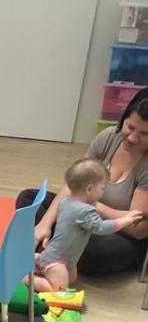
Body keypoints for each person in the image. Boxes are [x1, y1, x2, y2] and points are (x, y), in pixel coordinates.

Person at [18, 86, 148, 276]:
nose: (133, 137)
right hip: (81, 215)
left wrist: (95, 207)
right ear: (124, 118)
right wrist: (44, 224)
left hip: (118, 235)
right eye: (130, 127)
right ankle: (55, 246)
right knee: (29, 198)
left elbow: (137, 228)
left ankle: (51, 249)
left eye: (144, 134)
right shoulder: (109, 137)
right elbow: (74, 184)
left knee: (99, 253)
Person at [29, 158, 143, 292]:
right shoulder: (86, 211)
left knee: (71, 280)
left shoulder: (65, 200)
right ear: (89, 189)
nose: (103, 192)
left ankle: (39, 262)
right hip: (57, 259)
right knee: (59, 290)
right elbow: (102, 228)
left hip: (67, 257)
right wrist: (126, 220)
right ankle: (28, 279)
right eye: (102, 188)